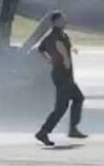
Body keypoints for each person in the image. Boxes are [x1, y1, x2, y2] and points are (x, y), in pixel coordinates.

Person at [34, 11, 87, 146]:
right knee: (61, 107)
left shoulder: (57, 35)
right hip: (62, 74)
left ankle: (72, 128)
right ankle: (44, 132)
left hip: (63, 74)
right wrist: (65, 59)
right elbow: (59, 46)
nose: (65, 22)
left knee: (78, 98)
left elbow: (40, 50)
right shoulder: (56, 36)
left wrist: (48, 60)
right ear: (56, 22)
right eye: (63, 20)